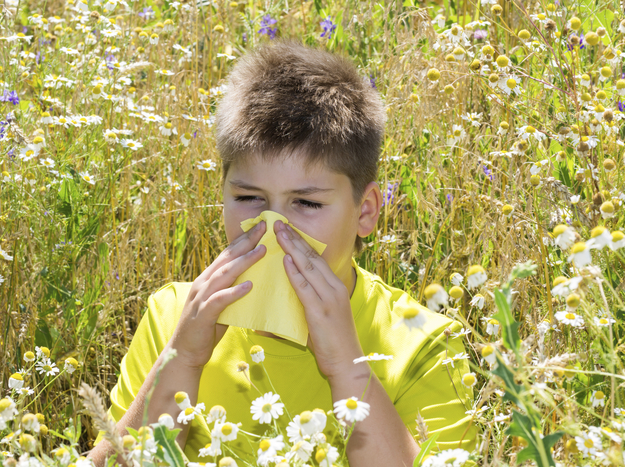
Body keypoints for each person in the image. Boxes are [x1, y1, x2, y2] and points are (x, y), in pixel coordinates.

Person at [89, 40, 477, 466]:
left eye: (307, 204)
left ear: (365, 212)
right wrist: (184, 359)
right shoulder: (174, 317)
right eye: (250, 198)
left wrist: (347, 367)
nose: (274, 228)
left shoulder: (421, 344)